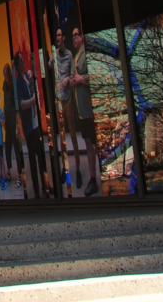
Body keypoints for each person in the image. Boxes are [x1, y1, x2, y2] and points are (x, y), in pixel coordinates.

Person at [50, 28, 82, 188]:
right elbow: (49, 66)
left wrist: (67, 81)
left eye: (60, 35)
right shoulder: (54, 54)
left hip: (67, 97)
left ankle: (77, 168)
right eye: (56, 36)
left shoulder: (69, 55)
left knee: (72, 134)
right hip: (58, 99)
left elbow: (72, 75)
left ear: (63, 37)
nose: (58, 38)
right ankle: (64, 168)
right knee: (61, 136)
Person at [14, 51, 47, 199]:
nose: (23, 62)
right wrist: (33, 101)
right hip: (28, 126)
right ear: (17, 65)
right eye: (21, 60)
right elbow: (21, 104)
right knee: (33, 158)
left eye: (23, 59)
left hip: (35, 123)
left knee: (39, 156)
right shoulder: (18, 83)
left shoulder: (26, 78)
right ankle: (37, 190)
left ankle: (44, 188)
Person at [71, 27, 99, 197]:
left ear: (82, 37)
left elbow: (93, 76)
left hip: (89, 110)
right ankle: (94, 179)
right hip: (81, 109)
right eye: (72, 36)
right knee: (88, 143)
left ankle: (95, 179)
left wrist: (81, 79)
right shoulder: (76, 56)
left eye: (76, 35)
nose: (73, 39)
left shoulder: (86, 53)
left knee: (92, 144)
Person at [2, 62, 23, 189]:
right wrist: (4, 118)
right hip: (7, 117)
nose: (4, 76)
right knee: (7, 146)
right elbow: (4, 102)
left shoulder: (13, 85)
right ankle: (9, 172)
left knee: (16, 147)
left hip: (13, 119)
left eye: (6, 74)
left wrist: (16, 126)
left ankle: (20, 175)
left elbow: (16, 108)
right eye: (3, 74)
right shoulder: (5, 84)